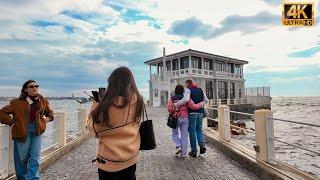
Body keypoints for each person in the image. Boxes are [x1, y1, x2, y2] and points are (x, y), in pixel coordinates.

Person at [88, 67, 144, 180]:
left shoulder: (105, 107)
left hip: (109, 162)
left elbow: (93, 131)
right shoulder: (139, 102)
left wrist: (95, 105)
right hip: (131, 157)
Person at [0, 80, 54, 180]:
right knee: (22, 159)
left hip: (37, 130)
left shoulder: (42, 101)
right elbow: (2, 112)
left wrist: (45, 120)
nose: (35, 88)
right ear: (26, 89)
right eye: (31, 86)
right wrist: (12, 123)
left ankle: (33, 178)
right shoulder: (17, 102)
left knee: (35, 157)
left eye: (36, 86)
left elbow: (50, 114)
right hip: (21, 131)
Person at [167, 85, 205, 158]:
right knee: (184, 135)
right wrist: (201, 104)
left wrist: (173, 112)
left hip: (176, 118)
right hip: (185, 118)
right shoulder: (186, 98)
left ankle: (178, 145)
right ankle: (184, 153)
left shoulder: (172, 99)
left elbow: (169, 109)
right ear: (183, 91)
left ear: (175, 91)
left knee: (175, 133)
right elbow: (193, 106)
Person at [175, 79, 209, 157]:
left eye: (185, 84)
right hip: (200, 113)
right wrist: (201, 104)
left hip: (192, 113)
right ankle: (202, 144)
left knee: (192, 131)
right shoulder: (200, 89)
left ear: (187, 84)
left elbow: (186, 99)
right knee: (199, 129)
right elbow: (206, 100)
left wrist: (177, 104)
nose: (185, 86)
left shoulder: (188, 90)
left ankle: (194, 151)